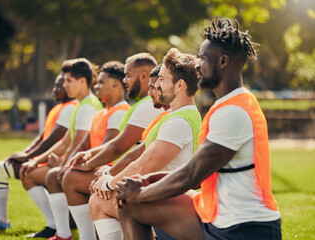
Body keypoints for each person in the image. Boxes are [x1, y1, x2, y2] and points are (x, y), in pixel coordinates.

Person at [116, 19, 282, 240]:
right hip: (219, 217)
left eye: (203, 59)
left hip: (245, 228)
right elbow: (193, 175)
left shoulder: (234, 112)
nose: (197, 65)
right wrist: (147, 181)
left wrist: (141, 192)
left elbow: (191, 175)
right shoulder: (226, 105)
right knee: (129, 203)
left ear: (223, 62)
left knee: (133, 199)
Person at [88, 48, 202, 240]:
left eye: (162, 79)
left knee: (99, 201)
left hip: (172, 202)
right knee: (106, 197)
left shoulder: (179, 122)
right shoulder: (174, 116)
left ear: (180, 85)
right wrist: (109, 175)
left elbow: (145, 165)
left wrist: (107, 183)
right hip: (163, 195)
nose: (156, 84)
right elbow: (140, 154)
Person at [60, 53, 164, 240]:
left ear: (143, 76)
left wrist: (94, 168)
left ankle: (78, 235)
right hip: (131, 171)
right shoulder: (142, 104)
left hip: (139, 176)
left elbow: (119, 147)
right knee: (78, 178)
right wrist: (90, 157)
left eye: (128, 76)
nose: (125, 81)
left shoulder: (148, 105)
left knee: (74, 178)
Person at [0, 74, 77, 232]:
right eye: (55, 85)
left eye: (60, 86)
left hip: (55, 163)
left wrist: (28, 157)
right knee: (3, 168)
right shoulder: (59, 107)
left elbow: (53, 140)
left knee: (5, 170)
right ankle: (4, 221)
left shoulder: (72, 107)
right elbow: (42, 137)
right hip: (43, 160)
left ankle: (54, 225)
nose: (55, 90)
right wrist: (23, 154)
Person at [43, 61, 130, 240]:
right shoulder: (101, 113)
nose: (96, 86)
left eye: (101, 83)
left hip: (113, 170)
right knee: (57, 174)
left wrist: (84, 166)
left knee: (71, 178)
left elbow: (110, 147)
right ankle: (64, 234)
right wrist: (68, 163)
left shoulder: (120, 111)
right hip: (98, 167)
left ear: (115, 85)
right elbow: (83, 144)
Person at [19, 58, 103, 238]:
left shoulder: (87, 107)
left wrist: (63, 165)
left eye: (68, 81)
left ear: (82, 81)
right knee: (32, 172)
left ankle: (61, 232)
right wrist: (35, 161)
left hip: (90, 167)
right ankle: (60, 230)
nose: (64, 85)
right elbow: (65, 143)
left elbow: (78, 144)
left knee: (48, 175)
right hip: (82, 164)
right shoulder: (81, 104)